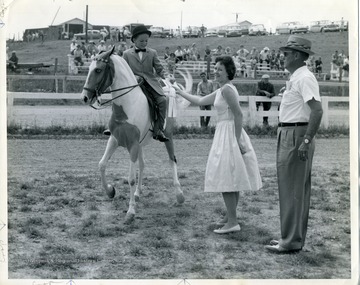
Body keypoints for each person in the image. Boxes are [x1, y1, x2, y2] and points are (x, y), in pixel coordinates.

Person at [174, 56, 262, 233]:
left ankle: (233, 222)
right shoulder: (222, 90)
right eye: (215, 69)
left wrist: (236, 141)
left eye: (219, 69)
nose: (215, 71)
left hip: (230, 133)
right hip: (224, 132)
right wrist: (179, 91)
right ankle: (230, 217)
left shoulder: (228, 90)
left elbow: (238, 115)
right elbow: (199, 101)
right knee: (230, 176)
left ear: (229, 72)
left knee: (226, 178)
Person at [265, 35, 323, 253]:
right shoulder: (297, 78)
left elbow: (317, 110)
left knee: (293, 189)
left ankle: (290, 241)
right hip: (288, 132)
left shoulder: (304, 78)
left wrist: (306, 140)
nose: (283, 58)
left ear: (298, 56)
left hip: (297, 134)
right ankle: (289, 238)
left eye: (286, 54)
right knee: (290, 188)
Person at [122, 25, 169, 142]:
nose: (144, 43)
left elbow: (159, 69)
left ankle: (158, 129)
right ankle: (115, 125)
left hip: (150, 83)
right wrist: (134, 77)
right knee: (119, 99)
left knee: (163, 100)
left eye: (146, 41)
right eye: (141, 41)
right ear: (134, 40)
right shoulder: (127, 54)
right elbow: (124, 71)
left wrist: (167, 76)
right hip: (133, 84)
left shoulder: (152, 53)